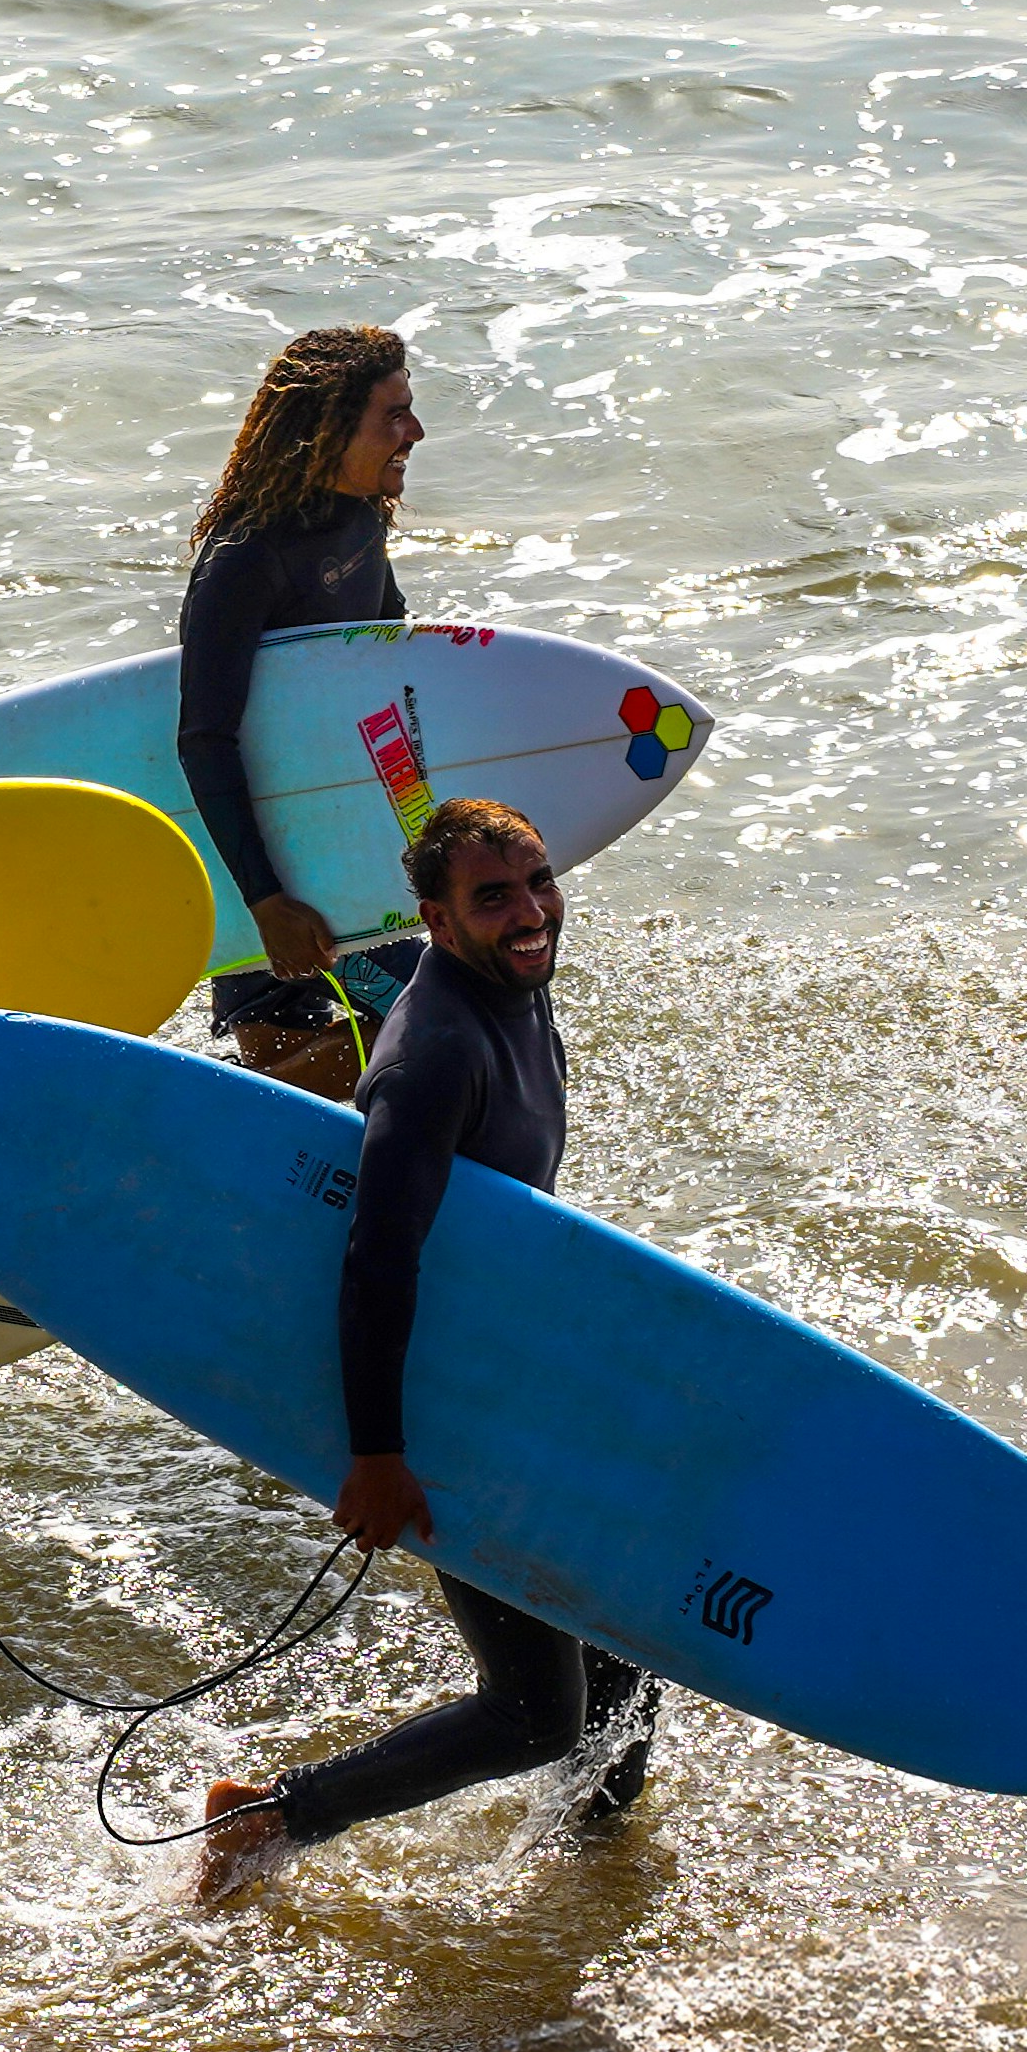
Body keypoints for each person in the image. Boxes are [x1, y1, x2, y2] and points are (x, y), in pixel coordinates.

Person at [192, 795, 658, 1907]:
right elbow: (375, 1257)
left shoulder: (517, 988)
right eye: (492, 896)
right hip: (446, 1405)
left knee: (624, 1658)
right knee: (536, 1708)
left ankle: (590, 1903)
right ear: (435, 922)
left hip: (509, 1380)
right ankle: (268, 1817)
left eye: (536, 880)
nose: (529, 910)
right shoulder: (433, 1052)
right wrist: (377, 1452)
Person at [177, 324, 427, 1103]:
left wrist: (423, 836)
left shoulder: (359, 518)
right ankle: (185, 1117)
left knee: (399, 1051)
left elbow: (379, 679)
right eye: (392, 416)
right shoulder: (247, 559)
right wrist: (264, 902)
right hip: (271, 875)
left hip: (339, 850)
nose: (414, 432)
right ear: (328, 429)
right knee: (433, 1034)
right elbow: (204, 740)